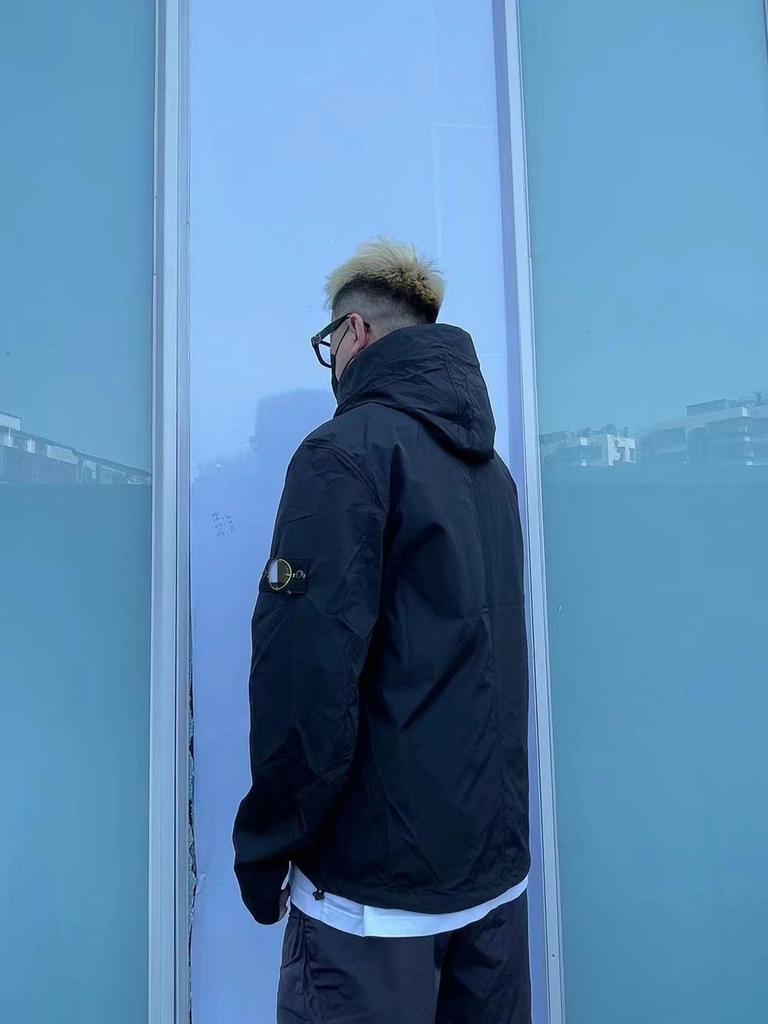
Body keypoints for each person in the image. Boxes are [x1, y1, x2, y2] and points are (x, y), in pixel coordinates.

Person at [232, 236, 532, 1022]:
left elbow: (305, 676)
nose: (331, 363)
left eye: (329, 344)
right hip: (492, 887)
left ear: (355, 333)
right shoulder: (491, 473)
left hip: (374, 905)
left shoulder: (345, 453)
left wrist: (267, 844)